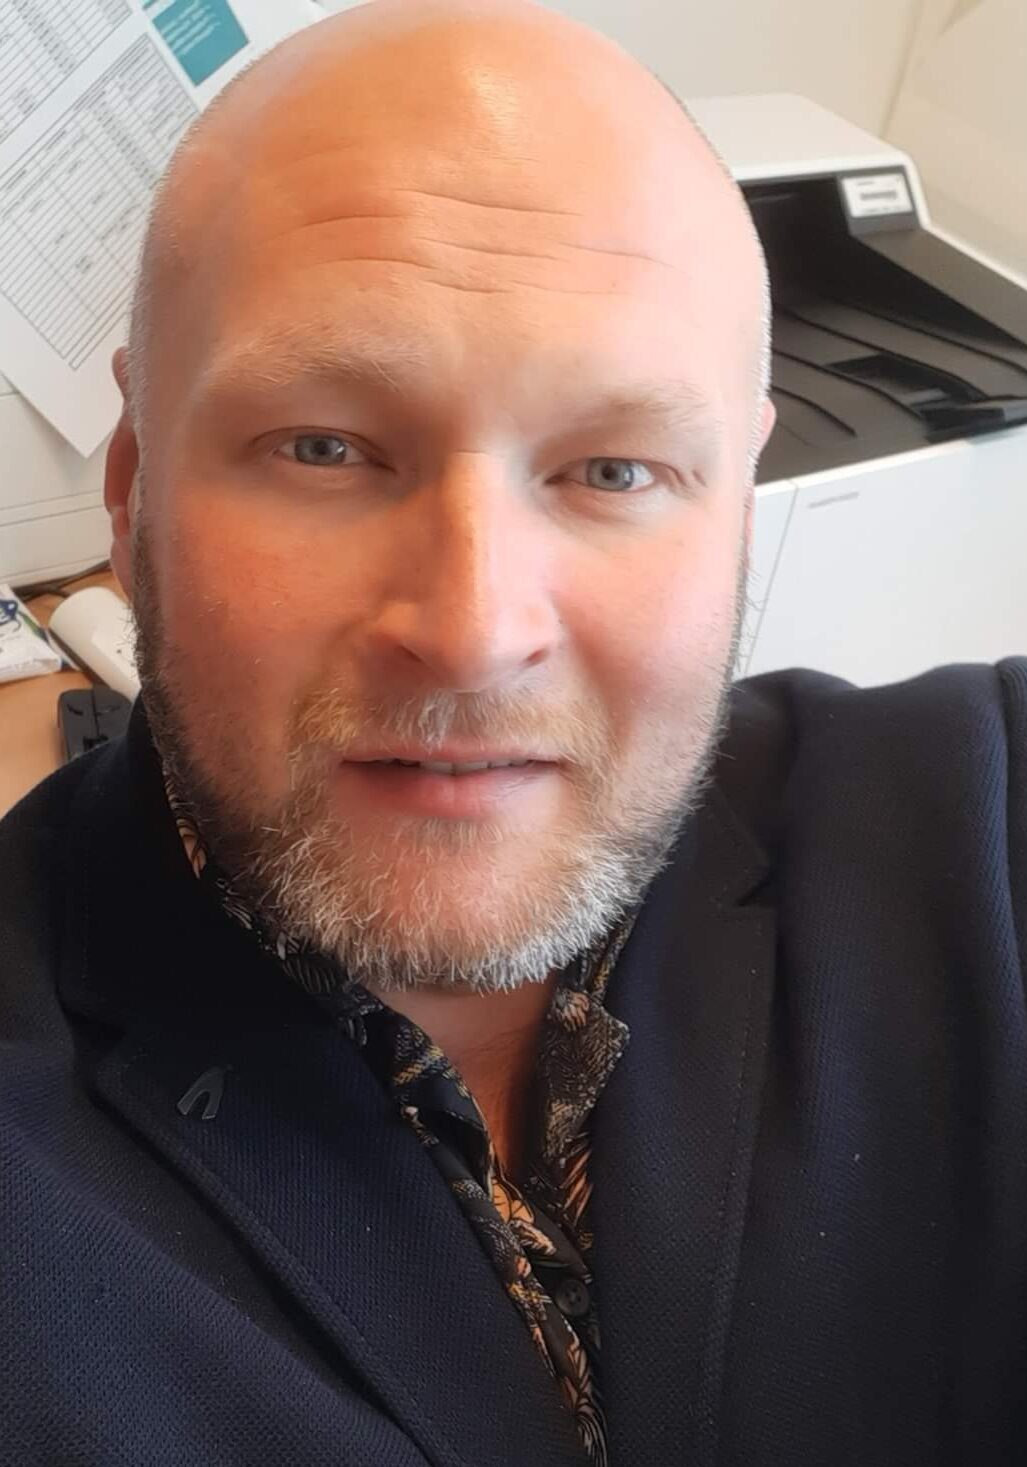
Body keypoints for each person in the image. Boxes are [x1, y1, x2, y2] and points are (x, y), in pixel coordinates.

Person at [1, 1, 1025, 1463]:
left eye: (614, 469)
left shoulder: (984, 816)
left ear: (738, 499)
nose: (475, 630)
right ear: (130, 487)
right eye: (324, 448)